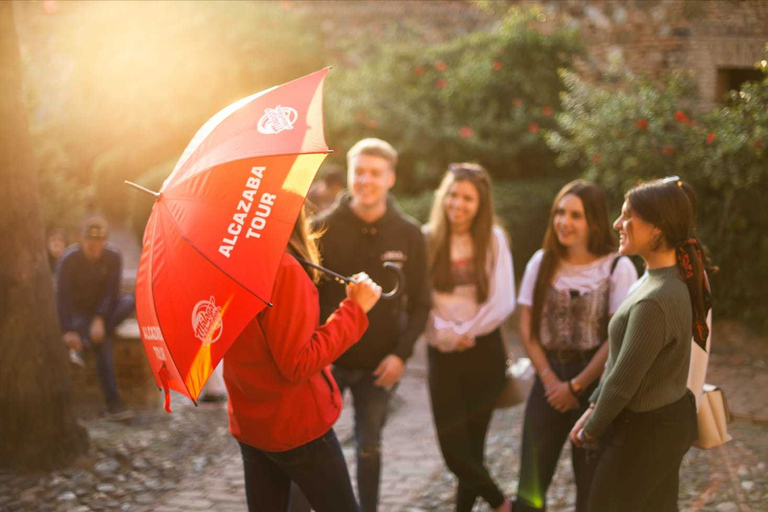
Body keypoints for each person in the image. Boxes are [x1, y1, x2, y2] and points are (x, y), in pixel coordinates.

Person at [223, 205, 382, 512]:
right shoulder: (281, 267)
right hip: (295, 424)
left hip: (251, 422)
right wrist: (354, 310)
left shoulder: (231, 259)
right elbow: (298, 362)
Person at [570, 178, 711, 512]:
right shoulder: (659, 276)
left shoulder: (657, 300)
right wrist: (593, 405)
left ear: (657, 228)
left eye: (627, 217)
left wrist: (592, 430)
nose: (618, 224)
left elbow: (622, 382)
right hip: (662, 425)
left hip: (645, 433)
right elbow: (618, 363)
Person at [313, 138, 431, 512]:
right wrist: (315, 352)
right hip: (327, 360)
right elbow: (307, 300)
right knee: (311, 445)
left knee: (369, 447)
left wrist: (401, 355)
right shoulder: (320, 228)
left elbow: (422, 303)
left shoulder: (410, 233)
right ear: (349, 175)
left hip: (379, 363)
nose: (366, 180)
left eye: (375, 173)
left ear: (391, 177)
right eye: (359, 171)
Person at [514, 180, 638, 512]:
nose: (564, 222)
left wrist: (577, 385)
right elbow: (526, 330)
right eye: (559, 212)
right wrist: (552, 381)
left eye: (575, 215)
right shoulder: (541, 262)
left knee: (593, 489)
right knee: (530, 487)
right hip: (547, 379)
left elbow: (618, 337)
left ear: (594, 221)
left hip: (596, 387)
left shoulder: (618, 267)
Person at [423, 164, 515, 512]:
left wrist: (467, 332)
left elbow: (503, 298)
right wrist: (448, 334)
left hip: (483, 353)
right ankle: (503, 504)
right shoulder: (427, 237)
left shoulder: (493, 239)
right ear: (442, 196)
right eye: (452, 194)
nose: (457, 203)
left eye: (467, 197)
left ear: (480, 204)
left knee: (473, 449)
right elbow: (422, 301)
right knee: (454, 452)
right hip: (442, 355)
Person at [56, 214, 136, 419]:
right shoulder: (68, 259)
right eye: (90, 241)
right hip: (78, 315)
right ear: (81, 240)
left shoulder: (113, 256)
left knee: (128, 301)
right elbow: (62, 296)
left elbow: (112, 292)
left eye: (99, 242)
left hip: (105, 313)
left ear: (104, 241)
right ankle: (113, 402)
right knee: (104, 344)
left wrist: (100, 319)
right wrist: (67, 330)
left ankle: (86, 343)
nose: (94, 247)